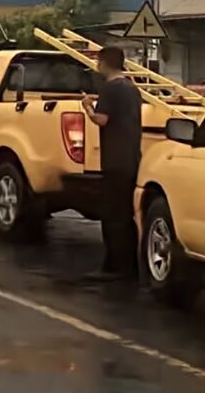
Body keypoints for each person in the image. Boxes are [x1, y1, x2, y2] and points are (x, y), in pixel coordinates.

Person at [82, 46, 143, 281]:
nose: (97, 66)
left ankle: (114, 268)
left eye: (99, 62)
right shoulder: (132, 89)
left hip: (114, 161)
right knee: (126, 216)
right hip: (131, 158)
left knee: (112, 216)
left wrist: (88, 107)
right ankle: (129, 267)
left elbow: (102, 119)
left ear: (105, 63)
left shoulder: (110, 89)